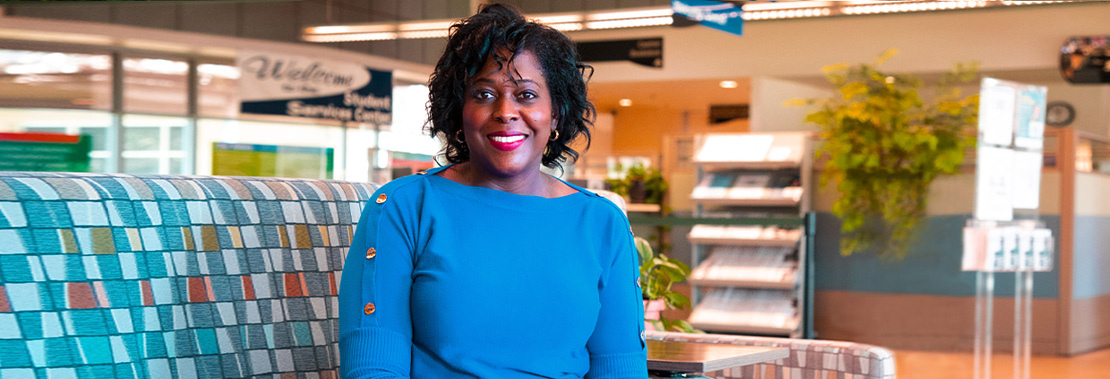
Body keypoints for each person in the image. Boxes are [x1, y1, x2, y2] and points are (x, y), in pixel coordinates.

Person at [338, 4, 648, 379]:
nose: (505, 111)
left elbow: (620, 368)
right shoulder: (404, 208)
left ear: (556, 114)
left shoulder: (602, 223)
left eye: (527, 95)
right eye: (484, 94)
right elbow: (374, 368)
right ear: (458, 112)